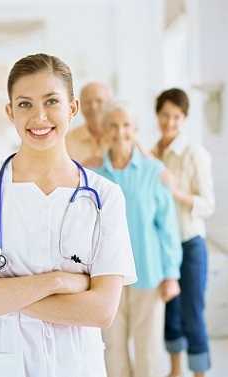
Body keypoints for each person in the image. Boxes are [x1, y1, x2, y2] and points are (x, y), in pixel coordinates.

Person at [0, 54, 136, 377]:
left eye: (51, 101)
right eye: (24, 104)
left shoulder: (105, 197)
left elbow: (102, 310)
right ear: (9, 112)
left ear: (72, 108)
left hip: (76, 365)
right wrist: (58, 282)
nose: (39, 116)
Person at [95, 103, 182, 377]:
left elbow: (168, 228)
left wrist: (171, 274)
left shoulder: (154, 172)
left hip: (148, 273)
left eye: (126, 125)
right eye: (113, 125)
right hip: (107, 277)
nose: (120, 132)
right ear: (104, 131)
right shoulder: (94, 176)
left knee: (147, 350)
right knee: (113, 347)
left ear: (136, 130)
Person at [152, 88, 215, 377]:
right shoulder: (152, 154)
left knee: (192, 314)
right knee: (170, 313)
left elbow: (208, 204)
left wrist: (177, 192)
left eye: (176, 117)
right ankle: (175, 371)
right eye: (165, 115)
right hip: (163, 247)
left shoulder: (194, 154)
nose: (170, 122)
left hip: (190, 245)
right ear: (157, 115)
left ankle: (199, 374)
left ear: (184, 118)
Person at [66, 81, 113, 167]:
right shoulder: (67, 140)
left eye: (99, 101)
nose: (93, 107)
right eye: (88, 102)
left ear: (109, 104)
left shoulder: (121, 137)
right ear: (79, 106)